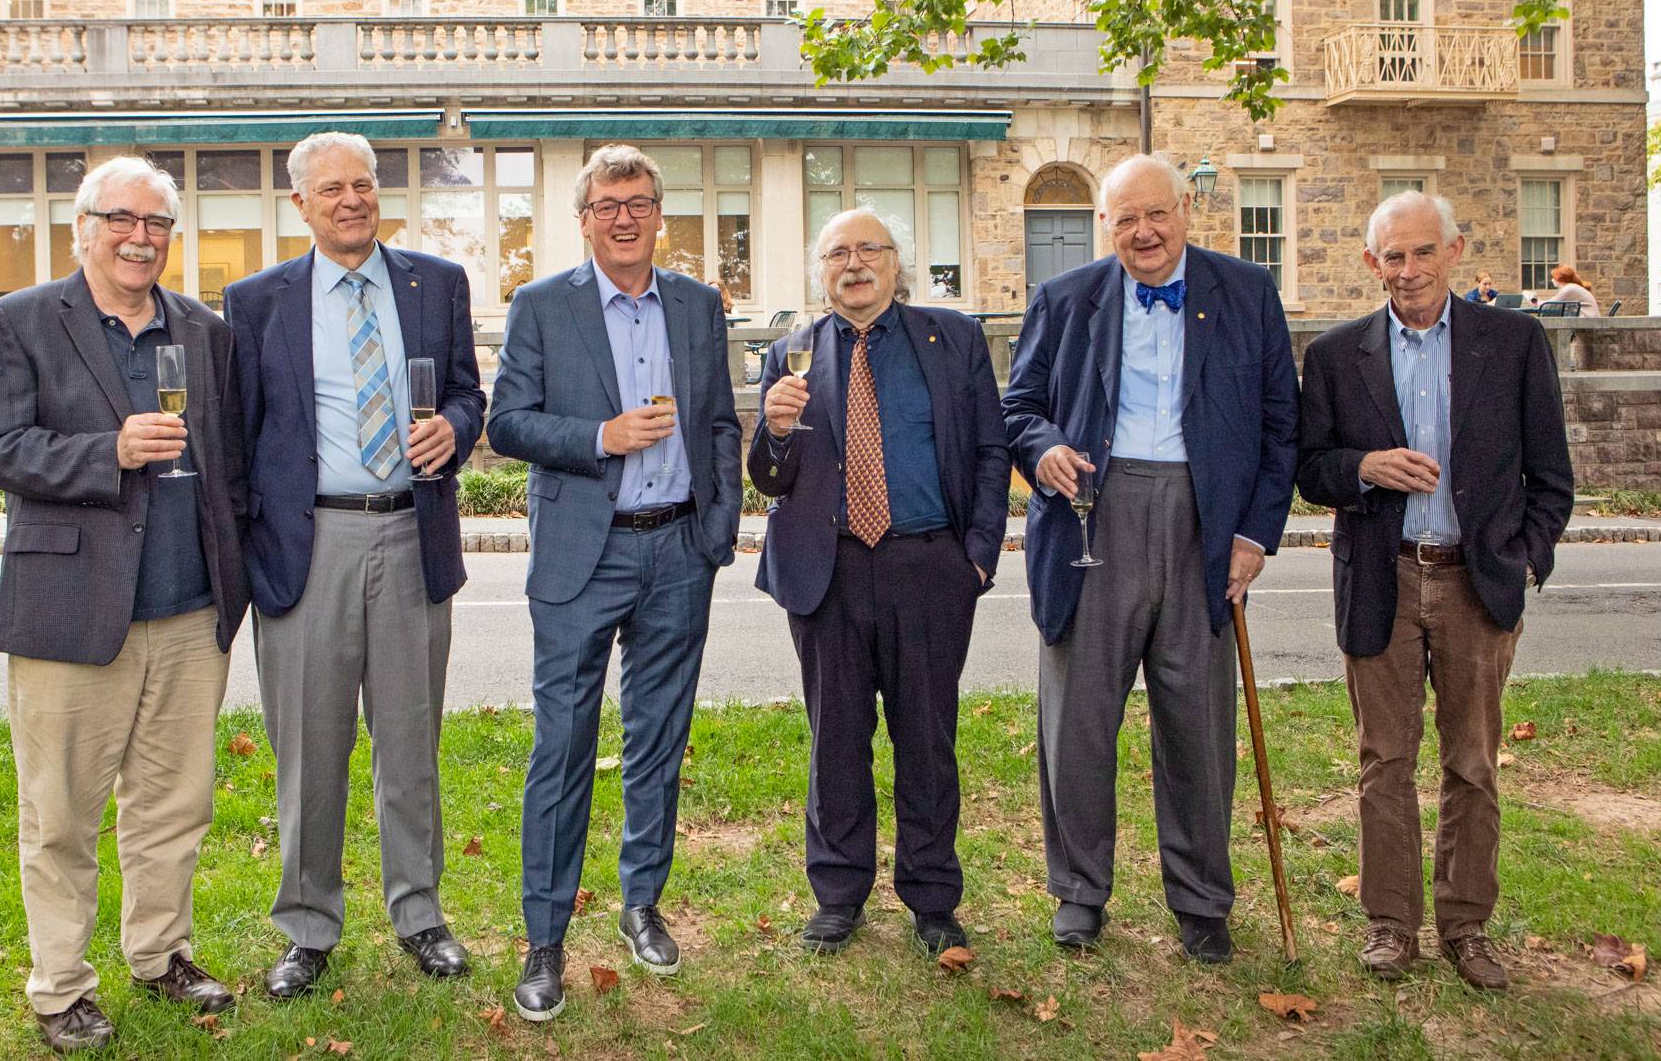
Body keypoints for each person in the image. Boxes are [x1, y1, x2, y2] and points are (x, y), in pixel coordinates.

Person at [0, 156, 249, 1053]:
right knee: (61, 814)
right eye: (123, 219)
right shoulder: (18, 322)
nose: (140, 237)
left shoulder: (203, 331)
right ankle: (59, 987)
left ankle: (162, 953)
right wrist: (109, 452)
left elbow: (229, 464)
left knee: (173, 805)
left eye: (158, 224)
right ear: (84, 227)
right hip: (70, 609)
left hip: (187, 609)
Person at [1003, 154, 1299, 963]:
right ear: (1106, 226)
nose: (1143, 232)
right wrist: (1045, 449)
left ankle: (1202, 900)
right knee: (1079, 725)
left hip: (1207, 525)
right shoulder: (1065, 300)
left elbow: (1282, 428)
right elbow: (1018, 407)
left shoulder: (1247, 293)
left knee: (1198, 726)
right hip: (1091, 520)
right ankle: (1079, 892)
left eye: (1156, 215)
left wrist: (1254, 534)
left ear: (1187, 212)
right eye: (1125, 219)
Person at [227, 132, 486, 999]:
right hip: (312, 545)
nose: (352, 200)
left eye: (364, 185)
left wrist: (456, 427)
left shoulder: (435, 284)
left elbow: (467, 392)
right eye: (332, 189)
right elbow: (240, 436)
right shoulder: (257, 301)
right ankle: (308, 927)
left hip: (411, 534)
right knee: (311, 748)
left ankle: (419, 913)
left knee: (411, 744)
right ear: (299, 203)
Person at [487, 144, 742, 1021]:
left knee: (656, 738)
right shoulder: (541, 306)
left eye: (638, 202)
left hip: (676, 552)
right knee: (561, 745)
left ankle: (641, 904)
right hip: (580, 556)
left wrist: (716, 535)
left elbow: (719, 424)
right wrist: (603, 436)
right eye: (607, 204)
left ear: (658, 213)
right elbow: (507, 423)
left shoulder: (698, 306)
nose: (623, 217)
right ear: (585, 218)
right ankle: (545, 938)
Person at [1296, 190, 1573, 990]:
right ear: (1370, 263)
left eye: (1423, 253)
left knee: (1473, 762)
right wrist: (1364, 468)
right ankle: (1391, 923)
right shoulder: (1339, 353)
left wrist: (1524, 560)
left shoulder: (1513, 343)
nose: (1408, 270)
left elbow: (1551, 478)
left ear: (1454, 253)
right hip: (1381, 576)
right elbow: (1311, 468)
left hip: (1474, 582)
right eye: (1393, 256)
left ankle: (1466, 924)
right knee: (1384, 761)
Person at [749, 210, 1009, 956]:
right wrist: (772, 430)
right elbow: (769, 478)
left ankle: (932, 897)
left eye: (870, 250)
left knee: (927, 739)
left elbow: (992, 450)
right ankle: (838, 893)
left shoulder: (951, 339)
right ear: (820, 271)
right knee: (836, 738)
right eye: (837, 253)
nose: (854, 263)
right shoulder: (792, 352)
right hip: (825, 570)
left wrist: (979, 556)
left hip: (927, 565)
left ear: (900, 263)